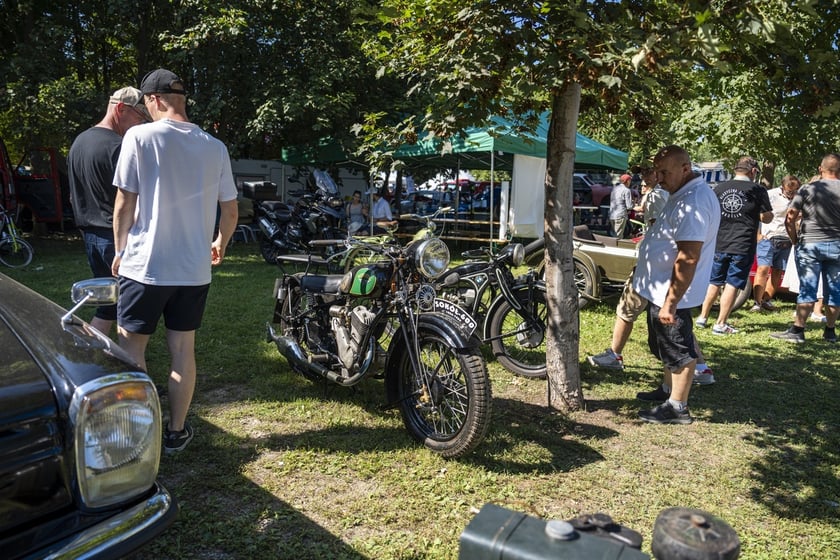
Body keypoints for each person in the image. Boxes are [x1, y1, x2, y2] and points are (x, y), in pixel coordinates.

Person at [111, 68, 239, 454]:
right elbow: (230, 210)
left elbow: (124, 203)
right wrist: (221, 243)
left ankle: (138, 432)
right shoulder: (214, 146)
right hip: (193, 269)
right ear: (181, 99)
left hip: (145, 266)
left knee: (131, 350)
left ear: (152, 100)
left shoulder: (139, 136)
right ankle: (176, 431)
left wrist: (119, 250)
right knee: (183, 350)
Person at [588, 165, 716, 385]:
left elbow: (665, 232)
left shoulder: (664, 196)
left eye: (652, 172)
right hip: (658, 269)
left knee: (653, 318)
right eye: (645, 173)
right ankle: (696, 370)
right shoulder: (678, 194)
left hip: (657, 271)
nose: (646, 176)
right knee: (672, 323)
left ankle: (616, 355)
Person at [632, 145, 720, 424]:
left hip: (673, 293)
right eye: (656, 172)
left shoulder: (693, 201)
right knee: (665, 345)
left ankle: (678, 407)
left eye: (664, 172)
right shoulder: (682, 192)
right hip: (661, 288)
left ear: (685, 168)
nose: (658, 178)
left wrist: (671, 301)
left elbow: (688, 257)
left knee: (679, 349)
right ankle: (668, 390)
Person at [67, 87, 150, 335]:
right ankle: (126, 357)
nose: (141, 124)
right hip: (115, 238)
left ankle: (92, 352)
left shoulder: (79, 142)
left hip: (90, 236)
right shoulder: (120, 146)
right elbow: (131, 200)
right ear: (120, 108)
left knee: (108, 302)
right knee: (129, 304)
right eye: (139, 117)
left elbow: (73, 195)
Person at [695, 157, 772, 334]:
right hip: (742, 243)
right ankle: (720, 324)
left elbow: (710, 213)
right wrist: (758, 216)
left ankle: (702, 317)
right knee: (733, 283)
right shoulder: (758, 189)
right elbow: (767, 216)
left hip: (719, 241)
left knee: (714, 281)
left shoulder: (720, 188)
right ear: (753, 171)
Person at [771, 153, 840, 343]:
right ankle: (830, 331)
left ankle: (798, 330)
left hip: (810, 244)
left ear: (820, 169)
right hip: (837, 246)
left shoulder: (807, 189)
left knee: (808, 288)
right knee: (834, 291)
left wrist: (794, 239)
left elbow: (790, 216)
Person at [750, 175, 800, 311]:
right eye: (789, 192)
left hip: (786, 238)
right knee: (763, 269)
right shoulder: (771, 194)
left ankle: (767, 299)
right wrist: (758, 234)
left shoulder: (799, 198)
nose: (792, 194)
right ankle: (757, 302)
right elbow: (757, 213)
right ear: (782, 187)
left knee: (778, 271)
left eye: (795, 191)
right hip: (768, 237)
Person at [609, 173, 634, 238]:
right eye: (630, 181)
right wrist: (633, 203)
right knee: (618, 236)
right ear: (627, 181)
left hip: (612, 214)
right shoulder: (627, 190)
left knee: (614, 234)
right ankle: (615, 247)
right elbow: (629, 206)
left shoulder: (614, 189)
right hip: (620, 214)